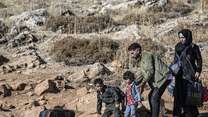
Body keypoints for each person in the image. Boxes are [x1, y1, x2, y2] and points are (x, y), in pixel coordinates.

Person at [127, 42, 171, 117]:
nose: (131, 56)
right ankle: (153, 114)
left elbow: (150, 71)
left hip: (164, 77)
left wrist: (142, 84)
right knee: (151, 96)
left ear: (138, 50)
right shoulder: (141, 60)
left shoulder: (147, 56)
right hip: (158, 81)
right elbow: (142, 73)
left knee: (154, 97)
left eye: (132, 53)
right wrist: (135, 83)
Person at [173, 29, 202, 117]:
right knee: (179, 94)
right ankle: (180, 113)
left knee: (190, 94)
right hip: (179, 75)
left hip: (190, 74)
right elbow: (175, 59)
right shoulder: (177, 46)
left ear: (187, 37)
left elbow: (199, 59)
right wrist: (174, 70)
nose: (181, 39)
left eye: (183, 37)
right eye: (180, 37)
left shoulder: (193, 47)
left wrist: (198, 70)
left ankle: (191, 113)